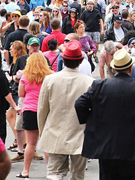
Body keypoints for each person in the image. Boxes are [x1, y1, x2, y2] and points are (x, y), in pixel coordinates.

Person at [75, 49, 135, 180]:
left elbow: (80, 104)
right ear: (131, 68)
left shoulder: (99, 86)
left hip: (106, 146)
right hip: (132, 146)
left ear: (114, 69)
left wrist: (92, 122)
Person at [38, 41, 94, 180]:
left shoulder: (50, 80)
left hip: (54, 131)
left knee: (54, 173)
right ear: (81, 61)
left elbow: (42, 110)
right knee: (78, 175)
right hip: (80, 134)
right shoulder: (89, 82)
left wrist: (43, 132)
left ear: (63, 59)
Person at [16, 52, 53, 178]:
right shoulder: (50, 76)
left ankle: (26, 171)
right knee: (46, 142)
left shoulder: (25, 77)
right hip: (46, 110)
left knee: (31, 144)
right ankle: (50, 171)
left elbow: (21, 93)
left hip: (30, 110)